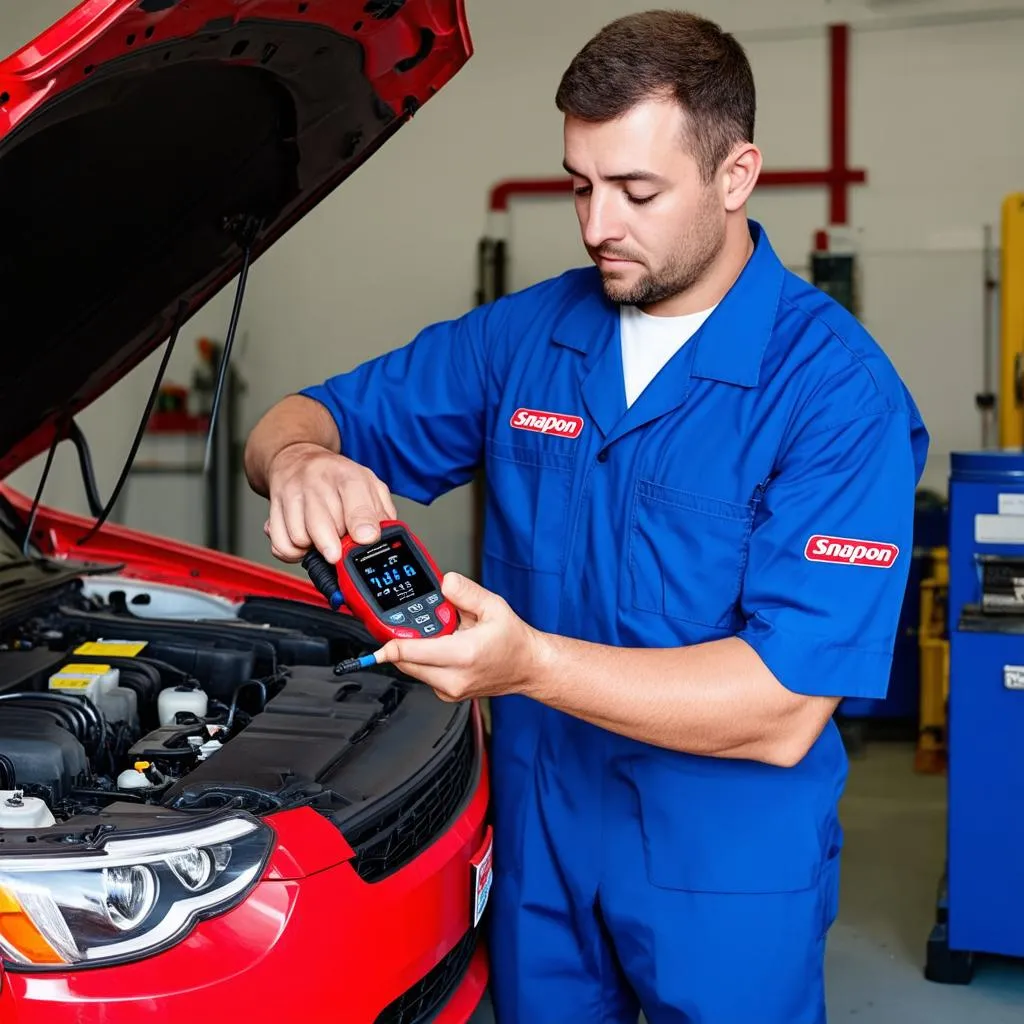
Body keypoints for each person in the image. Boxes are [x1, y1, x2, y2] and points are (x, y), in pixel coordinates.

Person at [244, 10, 928, 1023]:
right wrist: (300, 459)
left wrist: (528, 666)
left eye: (636, 190)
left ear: (735, 175)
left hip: (724, 861)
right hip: (540, 835)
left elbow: (784, 707)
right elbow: (298, 419)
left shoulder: (835, 395)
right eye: (580, 183)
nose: (596, 222)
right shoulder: (529, 336)